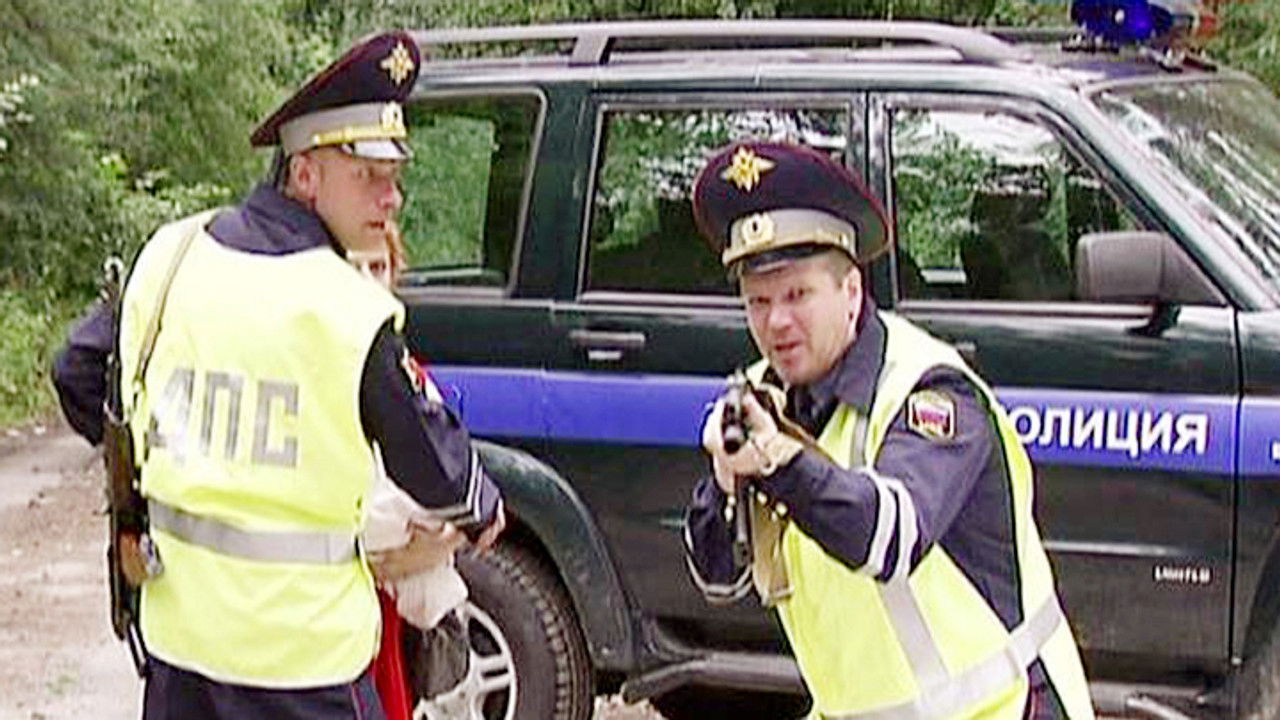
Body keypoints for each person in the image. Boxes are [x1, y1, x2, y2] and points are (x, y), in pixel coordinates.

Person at [51, 31, 503, 720]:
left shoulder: (170, 256)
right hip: (305, 665)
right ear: (305, 174)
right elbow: (437, 472)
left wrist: (165, 467)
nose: (393, 198)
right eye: (369, 175)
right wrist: (485, 505)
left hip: (181, 657)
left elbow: (77, 372)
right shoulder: (349, 308)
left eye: (395, 176)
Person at [682, 141, 1094, 720]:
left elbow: (891, 538)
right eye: (758, 302)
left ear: (851, 292)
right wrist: (725, 483)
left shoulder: (927, 389)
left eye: (798, 295)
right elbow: (717, 578)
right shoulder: (762, 397)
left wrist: (780, 462)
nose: (777, 322)